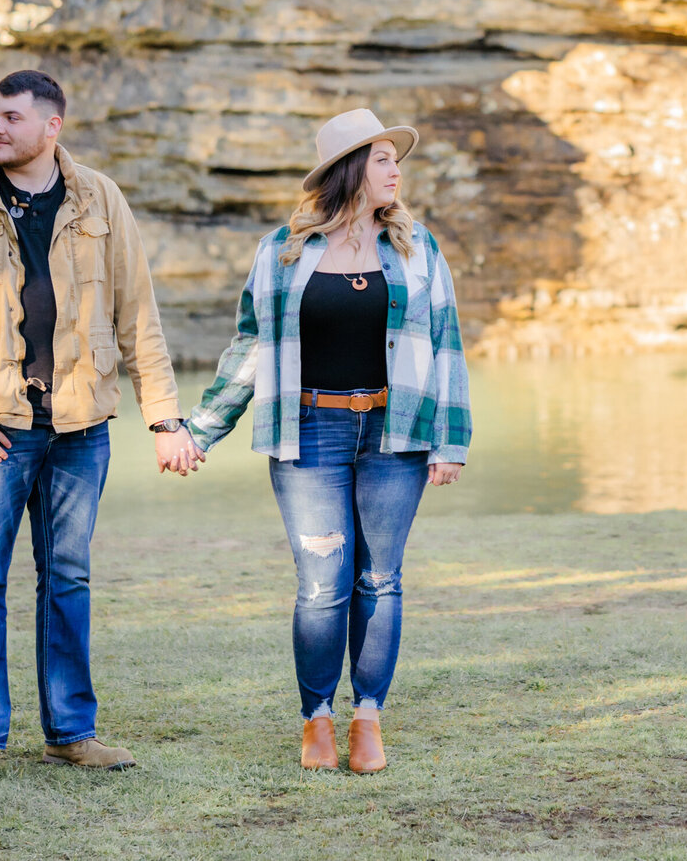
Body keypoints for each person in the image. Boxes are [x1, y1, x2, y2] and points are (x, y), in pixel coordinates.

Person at [0, 69, 202, 784]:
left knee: (68, 576)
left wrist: (164, 417)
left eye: (10, 118)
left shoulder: (101, 199)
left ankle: (70, 731)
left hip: (82, 426)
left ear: (52, 126)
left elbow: (138, 318)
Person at [177, 108, 472, 773]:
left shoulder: (417, 246)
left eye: (398, 160)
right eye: (383, 159)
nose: (397, 170)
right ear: (349, 171)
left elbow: (448, 343)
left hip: (395, 436)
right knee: (321, 584)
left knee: (380, 577)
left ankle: (368, 717)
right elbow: (250, 347)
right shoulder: (283, 248)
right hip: (308, 431)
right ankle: (318, 718)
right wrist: (202, 429)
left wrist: (450, 441)